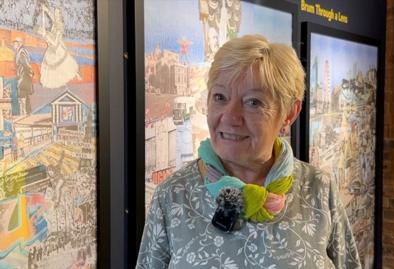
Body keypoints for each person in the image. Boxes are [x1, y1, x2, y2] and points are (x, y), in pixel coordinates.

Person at [136, 35, 361, 269]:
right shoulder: (173, 196)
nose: (230, 117)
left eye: (253, 102)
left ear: (289, 114)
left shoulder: (319, 190)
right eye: (220, 97)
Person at [13, 37, 33, 115]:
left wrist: (30, 72)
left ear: (19, 44)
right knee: (25, 95)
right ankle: (27, 113)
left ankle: (24, 113)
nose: (14, 45)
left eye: (15, 43)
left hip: (24, 77)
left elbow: (25, 64)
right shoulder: (20, 52)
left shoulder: (21, 52)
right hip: (23, 76)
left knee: (22, 95)